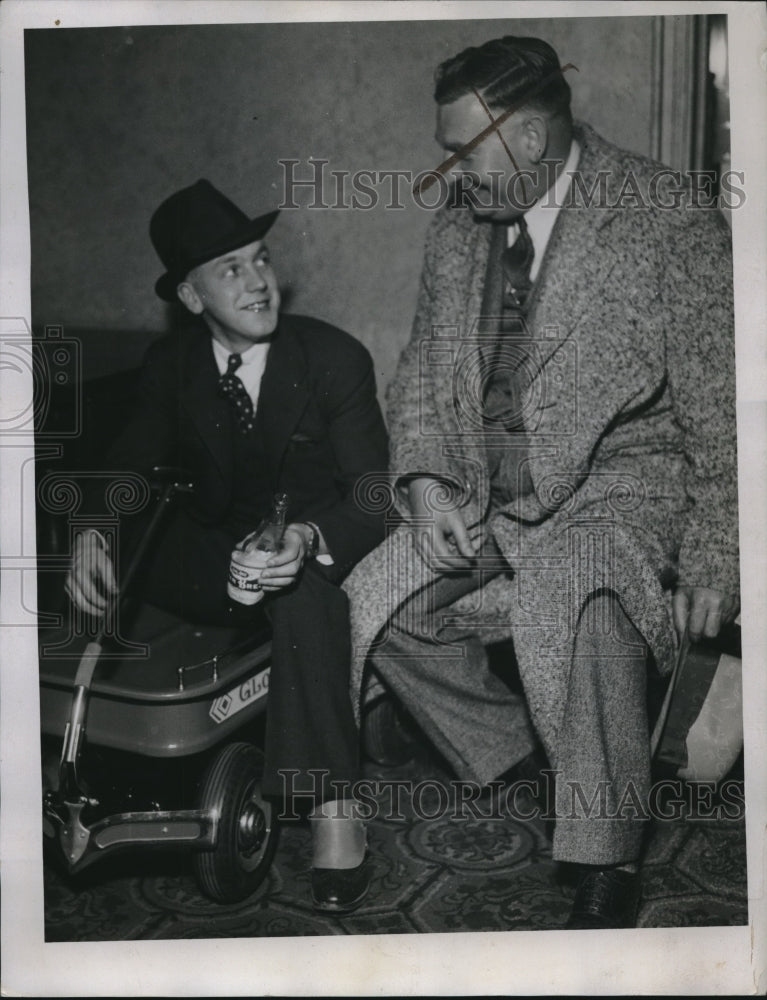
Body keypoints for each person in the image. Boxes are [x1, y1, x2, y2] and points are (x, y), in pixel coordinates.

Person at [343, 35, 739, 929]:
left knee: (574, 597)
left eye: (461, 148)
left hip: (619, 491)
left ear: (526, 138)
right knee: (381, 603)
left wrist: (718, 553)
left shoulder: (663, 214)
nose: (448, 169)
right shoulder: (457, 224)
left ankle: (604, 861)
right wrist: (425, 483)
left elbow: (724, 404)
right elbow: (417, 376)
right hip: (485, 496)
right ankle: (534, 763)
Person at [65, 178, 389, 913]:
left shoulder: (334, 358)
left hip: (308, 548)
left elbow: (373, 494)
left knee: (304, 602)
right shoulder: (171, 369)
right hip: (214, 550)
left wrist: (307, 538)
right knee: (120, 567)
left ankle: (333, 804)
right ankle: (112, 763)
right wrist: (93, 529)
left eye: (260, 259)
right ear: (189, 297)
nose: (258, 282)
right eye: (230, 270)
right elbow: (126, 467)